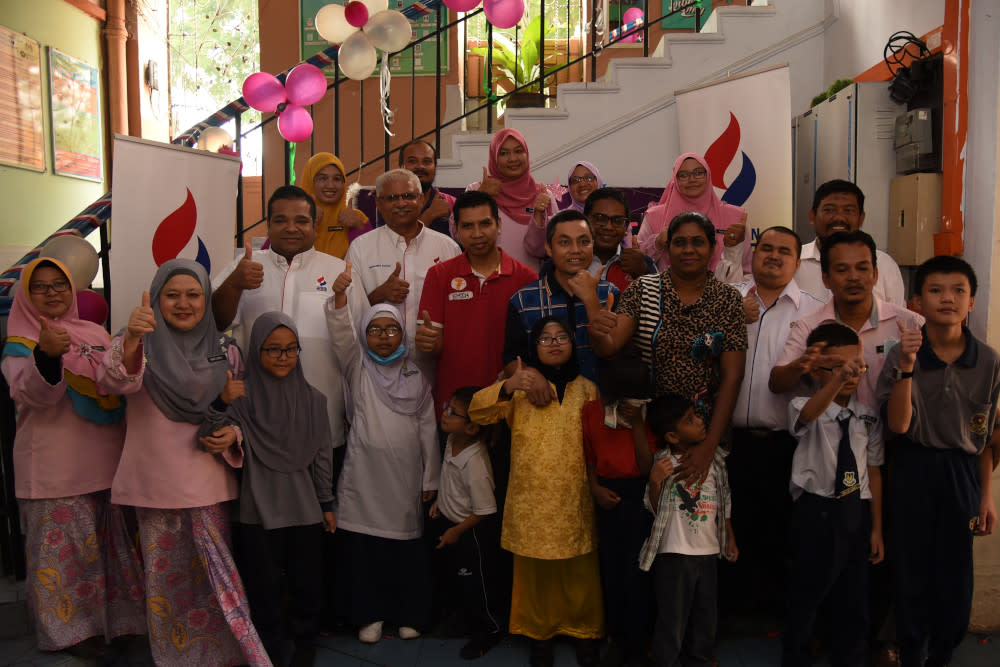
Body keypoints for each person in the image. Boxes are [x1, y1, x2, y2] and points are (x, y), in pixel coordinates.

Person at [105, 260, 268, 666]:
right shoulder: (133, 340)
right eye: (171, 295)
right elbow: (111, 384)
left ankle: (227, 654)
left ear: (206, 299)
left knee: (215, 576)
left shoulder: (224, 348)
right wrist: (131, 345)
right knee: (165, 580)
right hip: (154, 483)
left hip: (206, 481)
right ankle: (174, 656)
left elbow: (243, 411)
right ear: (157, 299)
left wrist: (233, 435)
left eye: (193, 294)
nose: (183, 303)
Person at [2, 258, 144, 658]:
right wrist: (46, 356)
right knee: (64, 558)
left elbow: (117, 383)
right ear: (27, 296)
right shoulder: (20, 342)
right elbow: (35, 396)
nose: (52, 293)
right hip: (54, 470)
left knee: (106, 554)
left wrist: (131, 343)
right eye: (41, 287)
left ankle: (114, 626)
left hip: (104, 462)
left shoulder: (93, 332)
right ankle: (71, 634)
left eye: (59, 285)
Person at [875, 256, 998, 667]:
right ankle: (910, 653)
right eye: (936, 290)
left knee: (956, 577)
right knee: (909, 572)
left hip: (962, 475)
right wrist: (908, 368)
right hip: (912, 468)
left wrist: (986, 497)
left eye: (958, 290)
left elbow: (984, 441)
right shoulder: (901, 353)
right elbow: (897, 424)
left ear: (972, 302)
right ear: (917, 301)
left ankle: (942, 655)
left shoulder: (989, 361)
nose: (947, 298)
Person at [213, 185, 368, 494]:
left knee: (318, 521)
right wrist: (234, 284)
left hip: (322, 423)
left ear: (315, 225)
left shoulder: (338, 271)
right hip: (253, 423)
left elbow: (358, 349)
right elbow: (214, 324)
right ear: (269, 225)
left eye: (301, 220)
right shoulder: (243, 267)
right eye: (280, 220)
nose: (291, 228)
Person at [469, 317, 604, 667]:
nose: (554, 342)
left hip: (575, 497)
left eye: (562, 337)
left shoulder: (588, 389)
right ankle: (538, 634)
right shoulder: (519, 391)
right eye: (545, 338)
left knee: (579, 568)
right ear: (533, 347)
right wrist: (510, 382)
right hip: (531, 499)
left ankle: (584, 631)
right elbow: (477, 413)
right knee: (534, 572)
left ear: (574, 344)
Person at [326, 266, 440, 644]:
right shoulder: (358, 369)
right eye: (375, 330)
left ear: (401, 334)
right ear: (365, 335)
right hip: (364, 478)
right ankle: (369, 615)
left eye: (391, 330)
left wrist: (431, 478)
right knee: (365, 552)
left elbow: (427, 431)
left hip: (405, 479)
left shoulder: (416, 377)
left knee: (405, 552)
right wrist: (341, 300)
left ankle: (409, 614)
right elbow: (342, 336)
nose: (384, 337)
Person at [590, 211, 747, 484]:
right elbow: (609, 347)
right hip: (645, 431)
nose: (688, 249)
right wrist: (597, 326)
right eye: (679, 242)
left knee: (699, 521)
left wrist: (708, 446)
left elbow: (733, 377)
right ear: (669, 247)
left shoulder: (728, 299)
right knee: (647, 517)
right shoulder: (643, 289)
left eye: (697, 242)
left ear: (712, 248)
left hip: (702, 433)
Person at [226, 313, 337, 667]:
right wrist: (221, 400)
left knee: (307, 579)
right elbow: (219, 436)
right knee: (263, 583)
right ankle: (269, 644)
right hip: (257, 506)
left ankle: (305, 640)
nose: (283, 357)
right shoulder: (240, 398)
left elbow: (322, 457)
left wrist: (326, 502)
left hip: (304, 506)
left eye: (291, 349)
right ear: (256, 350)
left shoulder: (314, 400)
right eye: (272, 349)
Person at [723, 226, 823, 617]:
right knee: (731, 528)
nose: (775, 256)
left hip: (787, 443)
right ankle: (733, 615)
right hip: (729, 441)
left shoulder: (814, 310)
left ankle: (774, 617)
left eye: (785, 251)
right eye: (767, 248)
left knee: (780, 532)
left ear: (798, 263)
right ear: (754, 253)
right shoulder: (729, 299)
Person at [783, 322, 885, 667]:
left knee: (854, 592)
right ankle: (797, 655)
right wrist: (837, 380)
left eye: (855, 365)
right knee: (808, 589)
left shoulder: (867, 417)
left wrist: (876, 529)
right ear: (817, 371)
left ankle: (851, 656)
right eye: (839, 367)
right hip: (816, 510)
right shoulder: (802, 405)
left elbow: (872, 471)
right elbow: (809, 416)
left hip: (855, 509)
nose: (850, 374)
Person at [634, 394, 737, 667]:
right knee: (673, 615)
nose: (701, 421)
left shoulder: (714, 459)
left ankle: (700, 658)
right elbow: (653, 508)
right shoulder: (664, 463)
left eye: (697, 415)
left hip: (708, 550)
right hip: (675, 553)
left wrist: (729, 536)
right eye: (690, 420)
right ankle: (666, 659)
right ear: (672, 436)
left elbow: (724, 498)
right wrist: (655, 482)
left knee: (706, 613)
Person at [769, 230, 924, 410]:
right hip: (827, 435)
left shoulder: (910, 324)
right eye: (842, 270)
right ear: (826, 279)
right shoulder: (809, 325)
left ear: (875, 275)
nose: (853, 277)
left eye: (862, 268)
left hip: (890, 435)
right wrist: (803, 364)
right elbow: (776, 383)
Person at [415, 190, 538, 417]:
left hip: (509, 403)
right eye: (468, 226)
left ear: (499, 224)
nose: (477, 233)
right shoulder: (439, 275)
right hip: (456, 407)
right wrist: (427, 342)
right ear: (457, 230)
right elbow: (433, 345)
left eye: (485, 223)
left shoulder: (527, 279)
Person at [345, 168, 462, 380]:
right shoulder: (361, 248)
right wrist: (379, 294)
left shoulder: (447, 248)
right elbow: (347, 315)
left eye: (408, 196)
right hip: (378, 370)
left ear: (420, 199)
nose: (401, 203)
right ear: (379, 204)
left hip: (434, 367)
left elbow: (460, 310)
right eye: (392, 198)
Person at [582, 359, 658, 667]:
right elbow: (588, 456)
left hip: (638, 493)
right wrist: (594, 488)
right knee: (611, 571)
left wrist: (638, 423)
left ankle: (639, 644)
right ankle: (617, 639)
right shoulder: (591, 411)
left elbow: (645, 467)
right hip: (605, 492)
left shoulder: (645, 413)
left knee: (638, 572)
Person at [427, 386, 504, 660]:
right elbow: (451, 483)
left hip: (470, 533)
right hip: (452, 525)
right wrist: (441, 502)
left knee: (477, 586)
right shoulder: (451, 440)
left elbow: (485, 510)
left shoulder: (476, 463)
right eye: (447, 407)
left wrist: (456, 532)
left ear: (472, 429)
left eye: (452, 412)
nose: (445, 414)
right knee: (458, 582)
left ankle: (489, 631)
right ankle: (464, 620)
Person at [505, 210, 618, 386]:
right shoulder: (523, 300)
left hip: (600, 402)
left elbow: (612, 353)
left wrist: (590, 299)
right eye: (565, 242)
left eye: (584, 242)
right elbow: (512, 360)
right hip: (546, 405)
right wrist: (532, 377)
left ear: (593, 246)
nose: (576, 250)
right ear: (549, 248)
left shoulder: (610, 294)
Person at [795, 179, 905, 306]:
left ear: (861, 218)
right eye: (829, 210)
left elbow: (897, 319)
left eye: (848, 210)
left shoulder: (884, 264)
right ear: (812, 216)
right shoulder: (794, 262)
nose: (839, 218)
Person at [636, 153, 749, 274]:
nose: (692, 179)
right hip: (666, 290)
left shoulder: (734, 216)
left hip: (723, 290)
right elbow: (637, 264)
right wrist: (657, 242)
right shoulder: (654, 216)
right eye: (683, 175)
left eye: (698, 173)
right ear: (675, 179)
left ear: (708, 176)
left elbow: (747, 270)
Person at [469, 129, 558, 271]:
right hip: (489, 280)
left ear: (526, 154)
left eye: (518, 151)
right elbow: (458, 233)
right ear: (494, 157)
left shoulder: (543, 195)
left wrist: (539, 215)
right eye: (504, 153)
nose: (513, 159)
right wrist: (481, 196)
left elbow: (553, 246)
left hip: (531, 285)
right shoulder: (477, 190)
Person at [583, 187, 656, 292]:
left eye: (617, 221)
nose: (609, 227)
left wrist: (644, 273)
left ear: (626, 226)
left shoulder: (642, 263)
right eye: (600, 218)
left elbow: (661, 303)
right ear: (585, 220)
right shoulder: (571, 259)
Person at [300, 152, 371, 258]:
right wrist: (305, 223)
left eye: (337, 179)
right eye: (322, 178)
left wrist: (358, 227)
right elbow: (274, 257)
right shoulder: (293, 219)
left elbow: (374, 259)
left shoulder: (357, 218)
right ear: (310, 182)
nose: (330, 185)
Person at [396, 139, 455, 237]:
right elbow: (395, 245)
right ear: (401, 166)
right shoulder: (390, 203)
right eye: (412, 161)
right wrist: (430, 215)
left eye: (427, 162)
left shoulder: (451, 203)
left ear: (435, 167)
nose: (420, 166)